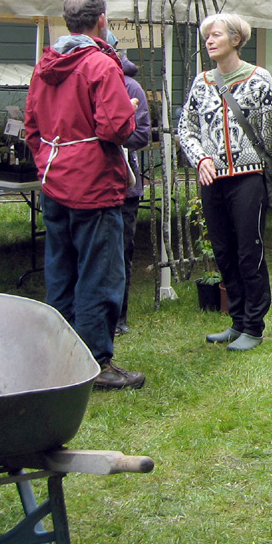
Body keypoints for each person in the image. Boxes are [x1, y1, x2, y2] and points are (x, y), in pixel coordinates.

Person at [24, 0, 144, 390]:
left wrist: (48, 163)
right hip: (94, 184)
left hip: (55, 181)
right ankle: (95, 363)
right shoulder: (99, 64)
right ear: (102, 20)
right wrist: (127, 107)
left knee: (60, 270)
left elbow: (31, 128)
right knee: (100, 274)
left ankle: (60, 358)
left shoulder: (46, 64)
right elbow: (117, 128)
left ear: (67, 21)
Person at [176, 13, 272, 352]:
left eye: (216, 35)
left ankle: (254, 325)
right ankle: (236, 321)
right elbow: (185, 129)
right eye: (207, 35)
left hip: (248, 180)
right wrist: (201, 157)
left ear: (235, 40)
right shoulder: (200, 83)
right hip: (212, 181)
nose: (209, 40)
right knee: (223, 252)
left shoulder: (259, 79)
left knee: (249, 251)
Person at [114, 41, 151, 335]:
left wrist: (114, 133)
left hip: (126, 186)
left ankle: (119, 317)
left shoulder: (131, 88)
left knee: (122, 252)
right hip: (93, 186)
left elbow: (142, 136)